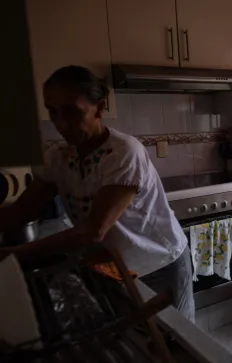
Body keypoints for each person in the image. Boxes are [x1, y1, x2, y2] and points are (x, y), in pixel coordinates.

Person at [0, 66, 194, 321]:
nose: (61, 124)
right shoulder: (59, 157)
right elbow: (24, 209)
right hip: (113, 267)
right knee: (137, 344)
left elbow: (93, 230)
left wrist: (15, 254)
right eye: (53, 112)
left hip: (159, 263)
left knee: (176, 346)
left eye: (71, 111)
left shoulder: (123, 153)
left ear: (100, 108)